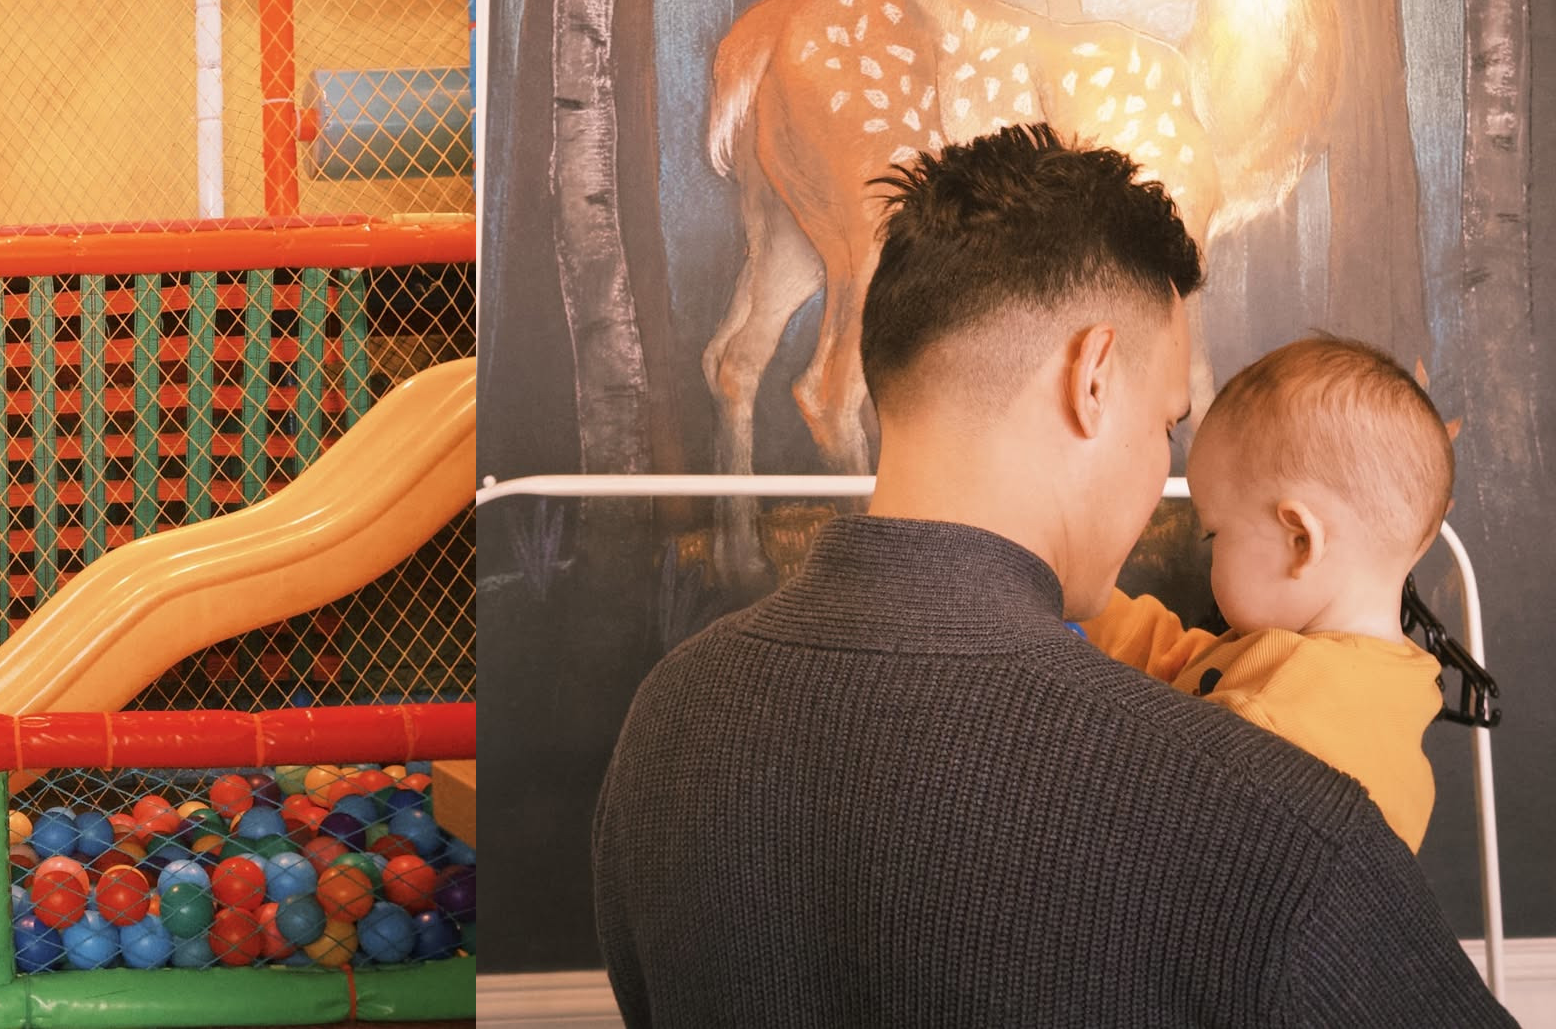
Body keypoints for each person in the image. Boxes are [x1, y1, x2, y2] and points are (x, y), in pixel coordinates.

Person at [591, 124, 1511, 1027]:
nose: (1165, 477)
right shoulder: (1277, 823)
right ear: (1093, 378)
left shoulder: (667, 720)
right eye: (1167, 425)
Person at [1085, 337, 1452, 851]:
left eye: (1214, 534)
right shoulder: (1360, 679)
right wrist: (1081, 601)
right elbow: (1181, 660)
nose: (1209, 551)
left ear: (1300, 542)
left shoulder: (1282, 727)